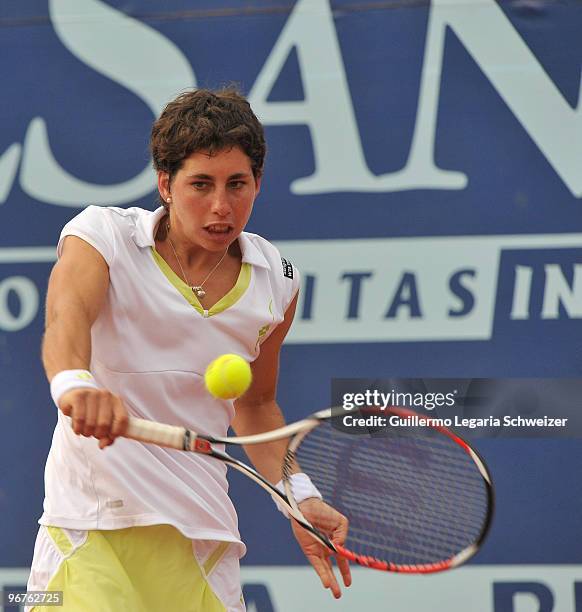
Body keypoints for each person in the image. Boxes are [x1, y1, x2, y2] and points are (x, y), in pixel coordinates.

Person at [26, 88, 351, 611]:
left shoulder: (277, 282)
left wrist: (301, 496)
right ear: (165, 185)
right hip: (90, 531)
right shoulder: (102, 236)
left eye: (237, 184)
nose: (222, 207)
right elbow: (67, 322)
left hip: (205, 541)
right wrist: (76, 385)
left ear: (257, 184)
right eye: (201, 184)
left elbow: (256, 407)